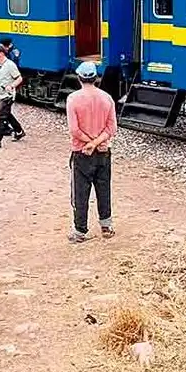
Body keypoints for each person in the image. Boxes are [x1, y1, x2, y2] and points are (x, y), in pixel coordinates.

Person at [64, 61, 118, 243]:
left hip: (82, 153)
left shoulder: (73, 99)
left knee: (80, 192)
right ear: (96, 78)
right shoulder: (107, 98)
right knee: (103, 188)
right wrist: (97, 143)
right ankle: (106, 225)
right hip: (103, 151)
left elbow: (74, 130)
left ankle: (80, 231)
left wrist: (89, 143)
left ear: (79, 78)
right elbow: (112, 128)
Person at [0, 42, 25, 150]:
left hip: (7, 96)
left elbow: (19, 78)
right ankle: (19, 131)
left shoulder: (10, 65)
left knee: (1, 117)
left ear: (1, 53)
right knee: (7, 115)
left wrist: (11, 86)